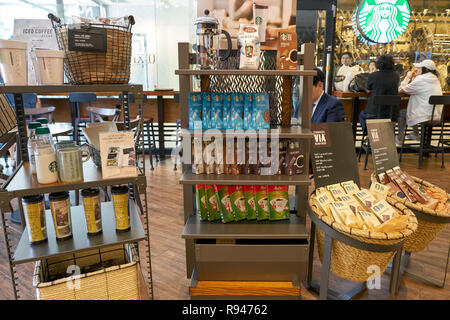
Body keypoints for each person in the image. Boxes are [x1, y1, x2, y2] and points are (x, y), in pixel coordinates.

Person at [396, 59, 443, 145]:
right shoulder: (435, 79)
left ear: (426, 69)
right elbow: (419, 87)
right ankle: (415, 134)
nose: (416, 69)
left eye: (419, 67)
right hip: (436, 115)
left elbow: (400, 90)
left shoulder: (421, 79)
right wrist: (415, 77)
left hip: (424, 116)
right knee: (411, 111)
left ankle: (400, 138)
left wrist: (408, 77)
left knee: (402, 113)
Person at [359, 54, 399, 136]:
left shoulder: (373, 75)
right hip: (391, 114)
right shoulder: (396, 75)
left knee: (362, 115)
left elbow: (368, 89)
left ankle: (369, 136)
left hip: (375, 113)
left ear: (379, 63)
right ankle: (380, 138)